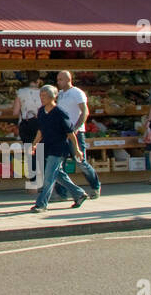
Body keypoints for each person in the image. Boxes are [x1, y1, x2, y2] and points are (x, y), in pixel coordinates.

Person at [30, 84, 88, 212]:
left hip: (59, 148)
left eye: (44, 96)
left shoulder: (60, 113)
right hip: (48, 146)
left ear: (53, 97)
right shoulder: (41, 111)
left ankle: (41, 204)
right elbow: (41, 130)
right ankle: (79, 194)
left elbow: (70, 133)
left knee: (49, 177)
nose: (42, 98)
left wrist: (77, 149)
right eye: (41, 95)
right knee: (58, 175)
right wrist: (34, 143)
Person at [55, 70, 102, 199]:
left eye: (61, 80)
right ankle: (61, 193)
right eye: (58, 80)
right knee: (60, 163)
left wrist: (75, 128)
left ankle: (95, 186)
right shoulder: (59, 95)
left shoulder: (77, 93)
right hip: (62, 133)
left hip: (76, 132)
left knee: (80, 161)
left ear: (68, 79)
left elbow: (84, 112)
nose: (58, 82)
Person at [12, 73, 44, 179]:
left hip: (25, 125)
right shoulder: (43, 92)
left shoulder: (21, 93)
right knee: (41, 152)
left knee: (30, 153)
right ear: (38, 80)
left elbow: (15, 112)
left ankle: (33, 184)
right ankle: (43, 181)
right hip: (40, 124)